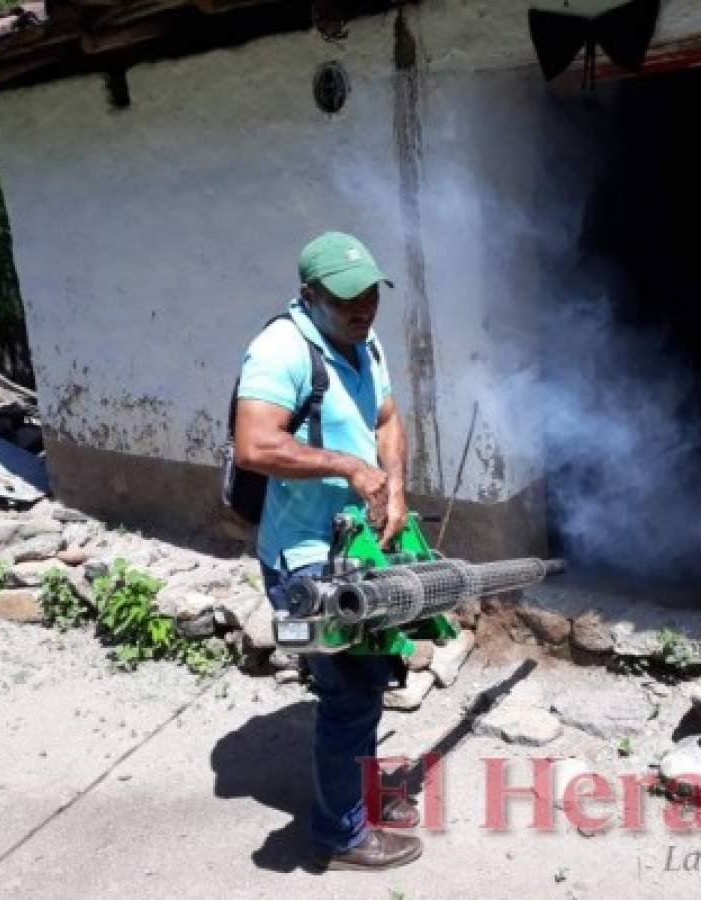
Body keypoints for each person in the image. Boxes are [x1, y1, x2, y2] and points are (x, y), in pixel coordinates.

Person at [232, 232, 423, 871]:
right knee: (348, 694)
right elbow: (254, 446)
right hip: (307, 557)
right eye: (346, 298)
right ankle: (341, 835)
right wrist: (346, 465)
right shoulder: (280, 350)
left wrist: (392, 487)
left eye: (370, 292)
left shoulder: (365, 341)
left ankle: (359, 796)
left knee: (372, 675)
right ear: (309, 296)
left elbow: (388, 419)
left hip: (362, 545)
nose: (362, 305)